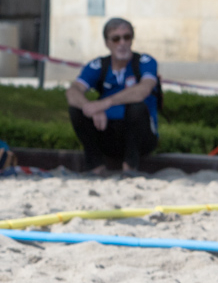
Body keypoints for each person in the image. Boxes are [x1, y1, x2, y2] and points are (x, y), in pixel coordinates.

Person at [65, 17, 160, 174]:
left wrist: (104, 103)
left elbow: (143, 90)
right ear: (107, 42)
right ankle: (96, 167)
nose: (122, 43)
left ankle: (130, 168)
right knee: (76, 110)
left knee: (136, 107)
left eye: (127, 37)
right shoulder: (98, 65)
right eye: (116, 38)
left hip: (141, 136)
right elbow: (73, 91)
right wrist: (89, 107)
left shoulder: (145, 61)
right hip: (107, 132)